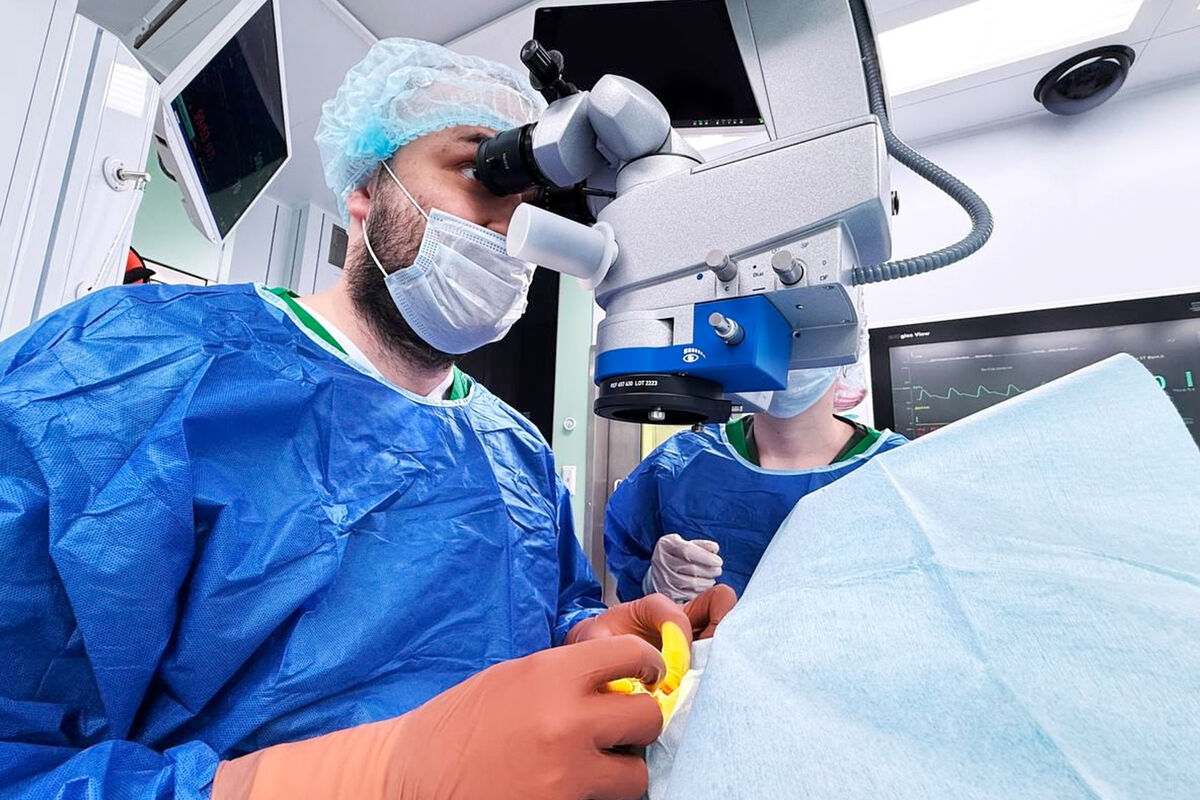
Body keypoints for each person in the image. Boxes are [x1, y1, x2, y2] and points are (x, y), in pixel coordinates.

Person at [0, 38, 734, 800]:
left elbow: (540, 621)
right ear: (365, 191)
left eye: (530, 200)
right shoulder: (136, 369)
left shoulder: (517, 451)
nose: (509, 228)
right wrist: (371, 775)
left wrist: (587, 639)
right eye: (483, 170)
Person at [605, 362, 908, 602]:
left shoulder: (900, 468)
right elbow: (631, 576)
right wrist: (653, 583)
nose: (790, 349)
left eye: (804, 330)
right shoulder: (680, 464)